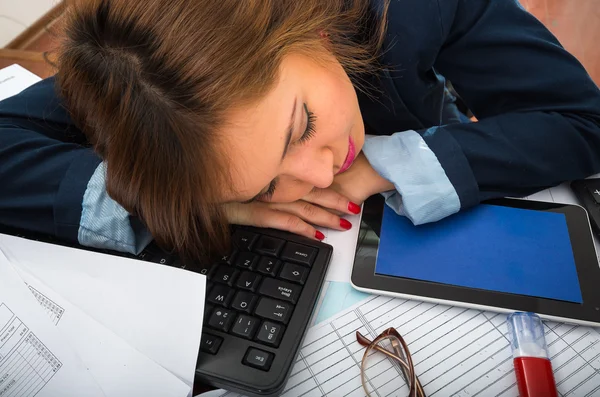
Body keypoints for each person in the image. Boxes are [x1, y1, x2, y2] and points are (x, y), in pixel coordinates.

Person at [1, 0, 599, 261]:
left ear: (307, 30)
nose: (319, 176)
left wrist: (388, 164)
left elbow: (580, 118)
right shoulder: (134, 65)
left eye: (301, 126)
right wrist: (185, 200)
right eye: (262, 187)